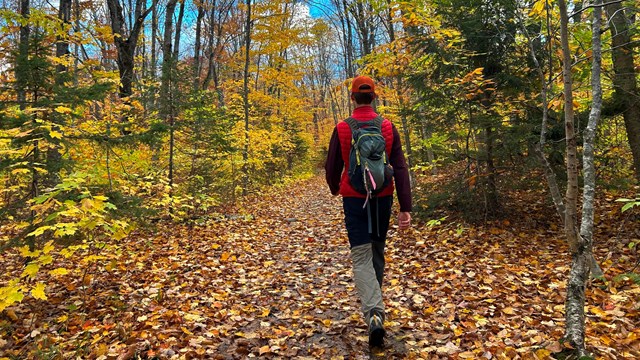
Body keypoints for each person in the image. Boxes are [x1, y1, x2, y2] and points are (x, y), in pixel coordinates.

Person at [325, 75, 412, 349]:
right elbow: (399, 167)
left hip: (354, 198)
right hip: (382, 197)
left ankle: (374, 311)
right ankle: (376, 304)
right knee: (377, 250)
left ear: (353, 98)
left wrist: (335, 188)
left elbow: (331, 166)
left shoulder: (342, 127)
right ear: (374, 97)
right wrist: (405, 207)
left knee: (361, 255)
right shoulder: (387, 126)